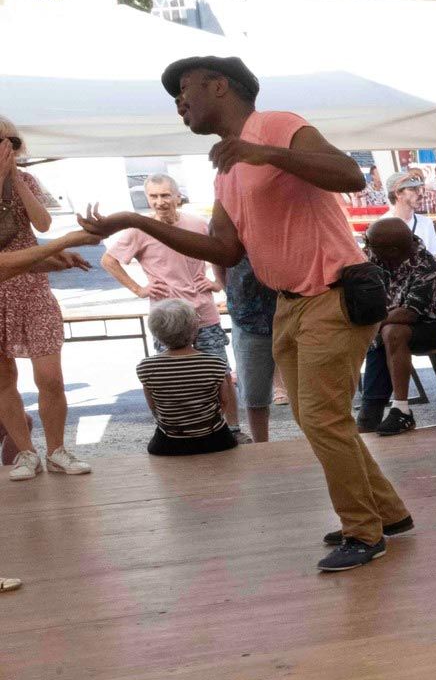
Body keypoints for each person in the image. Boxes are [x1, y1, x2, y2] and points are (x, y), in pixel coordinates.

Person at [81, 56, 407, 570]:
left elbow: (348, 175)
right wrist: (134, 222)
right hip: (289, 303)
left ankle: (363, 531)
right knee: (318, 420)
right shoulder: (225, 172)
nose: (179, 102)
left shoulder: (276, 125)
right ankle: (387, 513)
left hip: (334, 292)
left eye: (185, 88)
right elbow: (225, 250)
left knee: (322, 419)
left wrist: (264, 152)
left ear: (219, 86)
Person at [102, 173, 243, 436]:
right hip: (167, 318)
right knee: (171, 377)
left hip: (203, 313)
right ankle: (176, 430)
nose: (160, 202)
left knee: (220, 374)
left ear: (178, 196)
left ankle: (232, 429)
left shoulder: (197, 223)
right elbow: (109, 260)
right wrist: (138, 289)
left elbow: (222, 251)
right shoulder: (140, 229)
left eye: (165, 195)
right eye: (153, 196)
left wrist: (217, 282)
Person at [0, 116, 92, 480]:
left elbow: (43, 225)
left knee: (50, 377)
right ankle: (26, 452)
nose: (5, 149)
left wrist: (15, 178)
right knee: (3, 378)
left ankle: (56, 450)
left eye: (10, 142)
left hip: (33, 287)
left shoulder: (27, 179)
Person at [356, 217, 436, 436]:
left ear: (393, 250)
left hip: (428, 325)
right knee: (383, 336)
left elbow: (409, 313)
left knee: (392, 332)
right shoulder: (373, 255)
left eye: (370, 244)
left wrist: (372, 325)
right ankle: (370, 412)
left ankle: (401, 408)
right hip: (384, 329)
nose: (366, 247)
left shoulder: (426, 265)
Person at [137, 299, 238, 456]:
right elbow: (224, 401)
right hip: (214, 438)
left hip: (169, 441)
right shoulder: (215, 363)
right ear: (194, 329)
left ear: (156, 333)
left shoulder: (146, 367)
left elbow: (153, 406)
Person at [223, 257, 278, 441]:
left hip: (296, 309)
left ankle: (316, 448)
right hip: (248, 316)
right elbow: (220, 261)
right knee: (254, 396)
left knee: (310, 393)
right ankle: (261, 447)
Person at [383, 167, 436, 255]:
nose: (420, 193)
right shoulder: (382, 226)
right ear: (398, 193)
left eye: (419, 189)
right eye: (412, 189)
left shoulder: (426, 223)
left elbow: (434, 258)